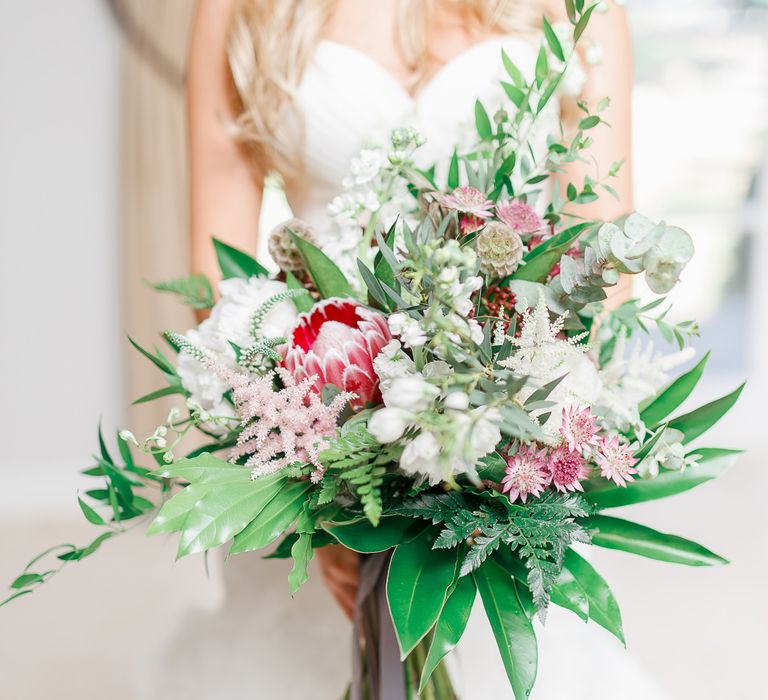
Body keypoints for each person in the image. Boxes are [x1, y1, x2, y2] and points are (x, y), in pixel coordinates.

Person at [165, 1, 662, 697]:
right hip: (309, 418)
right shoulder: (241, 9)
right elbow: (216, 280)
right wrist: (325, 494)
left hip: (500, 430)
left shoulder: (578, 10)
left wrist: (503, 449)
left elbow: (601, 265)